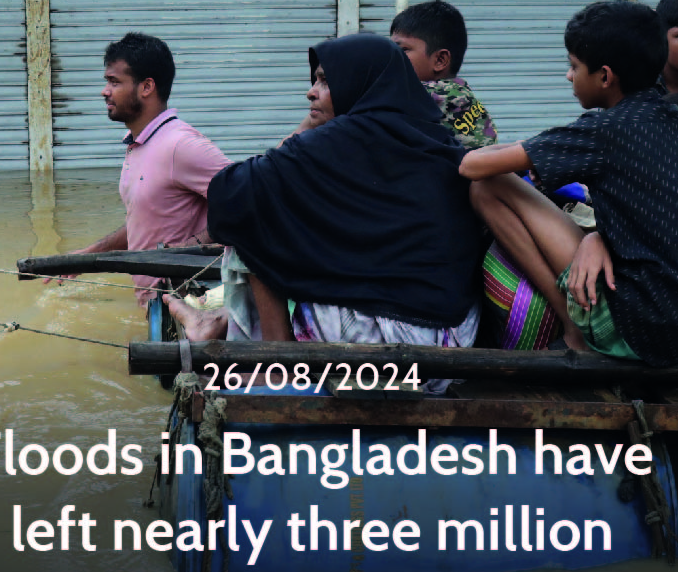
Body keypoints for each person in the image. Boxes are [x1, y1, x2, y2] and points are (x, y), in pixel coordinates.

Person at [458, 1, 678, 365]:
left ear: (605, 77)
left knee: (487, 187)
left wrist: (521, 148)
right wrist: (596, 236)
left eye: (574, 66)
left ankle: (574, 329)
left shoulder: (604, 130)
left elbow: (473, 165)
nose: (569, 76)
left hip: (641, 334)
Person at [203, 33, 485, 349]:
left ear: (356, 84)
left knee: (252, 210)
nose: (310, 93)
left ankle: (275, 356)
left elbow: (226, 194)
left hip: (378, 348)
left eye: (325, 81)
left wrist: (307, 127)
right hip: (451, 343)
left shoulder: (338, 140)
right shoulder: (437, 139)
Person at [66, 33, 231, 306]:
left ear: (146, 87)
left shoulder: (181, 145)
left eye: (114, 82)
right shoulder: (140, 145)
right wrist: (89, 254)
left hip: (185, 306)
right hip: (156, 308)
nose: (104, 91)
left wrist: (191, 247)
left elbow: (249, 200)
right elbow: (146, 222)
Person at [389, 0, 499, 148]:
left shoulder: (426, 94)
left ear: (440, 60)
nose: (392, 57)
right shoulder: (462, 91)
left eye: (403, 50)